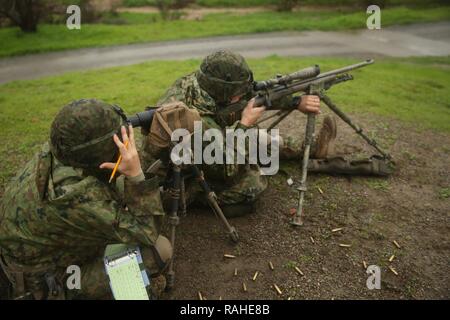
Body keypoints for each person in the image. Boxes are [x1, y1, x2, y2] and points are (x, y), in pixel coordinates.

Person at [0, 99, 172, 300]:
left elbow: (108, 183)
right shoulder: (79, 196)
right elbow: (147, 231)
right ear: (101, 154)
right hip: (45, 284)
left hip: (27, 258)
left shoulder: (62, 151)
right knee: (159, 249)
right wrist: (136, 175)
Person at [141, 50, 337, 218]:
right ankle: (197, 197)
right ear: (224, 92)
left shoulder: (201, 84)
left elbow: (250, 96)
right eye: (237, 92)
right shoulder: (193, 120)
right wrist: (244, 124)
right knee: (252, 184)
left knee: (254, 139)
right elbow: (227, 169)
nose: (240, 95)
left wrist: (295, 102)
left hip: (203, 150)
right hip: (176, 178)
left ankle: (308, 148)